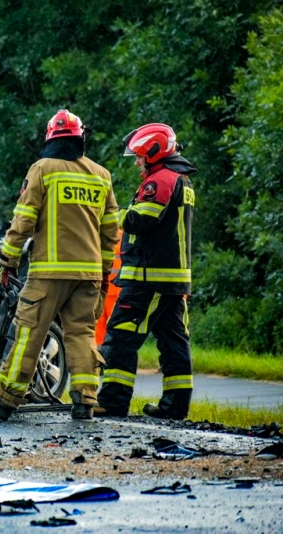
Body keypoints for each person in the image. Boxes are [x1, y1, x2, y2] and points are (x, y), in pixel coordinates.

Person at [0, 110, 119, 420]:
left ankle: (5, 399)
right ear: (80, 139)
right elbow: (110, 230)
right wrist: (102, 273)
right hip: (87, 274)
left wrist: (8, 259)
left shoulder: (43, 169)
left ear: (51, 139)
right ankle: (86, 400)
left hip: (49, 272)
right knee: (82, 334)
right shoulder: (101, 175)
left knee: (28, 331)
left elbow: (24, 218)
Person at [95, 123, 197, 420]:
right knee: (173, 340)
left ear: (154, 151)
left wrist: (112, 214)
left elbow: (143, 219)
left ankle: (113, 401)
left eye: (140, 156)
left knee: (121, 335)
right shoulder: (182, 180)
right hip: (172, 279)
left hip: (148, 277)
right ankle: (175, 407)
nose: (138, 161)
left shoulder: (161, 180)